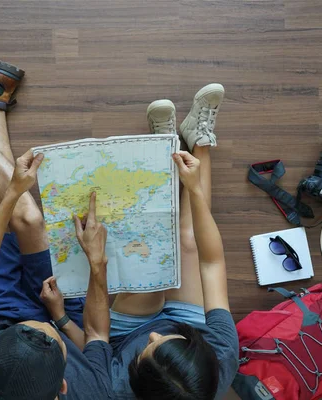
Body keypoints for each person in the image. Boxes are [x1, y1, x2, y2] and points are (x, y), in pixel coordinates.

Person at [0, 45, 114, 400]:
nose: (36, 324)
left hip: (0, 316)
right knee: (26, 218)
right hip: (63, 307)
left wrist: (12, 193)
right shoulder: (93, 392)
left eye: (25, 330)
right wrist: (94, 265)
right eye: (45, 337)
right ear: (62, 388)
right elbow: (98, 335)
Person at [109, 84, 239, 400]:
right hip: (192, 327)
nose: (157, 332)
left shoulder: (114, 387)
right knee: (189, 241)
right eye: (166, 339)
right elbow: (212, 262)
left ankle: (162, 150)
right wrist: (192, 189)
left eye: (149, 347)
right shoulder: (219, 358)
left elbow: (95, 340)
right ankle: (198, 138)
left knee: (154, 253)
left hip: (127, 334)